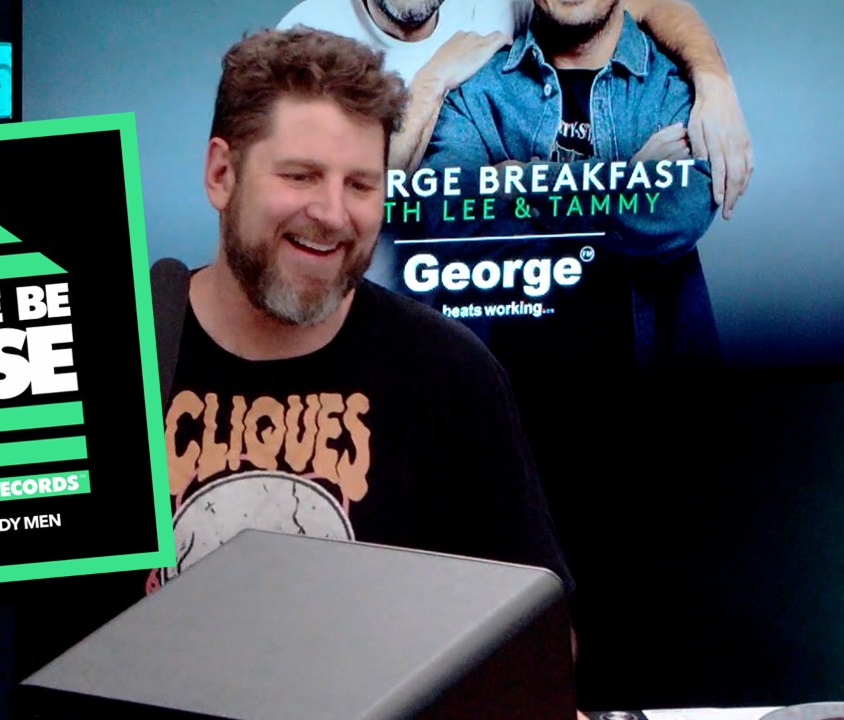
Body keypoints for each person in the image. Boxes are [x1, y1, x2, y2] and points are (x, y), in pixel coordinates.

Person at [145, 26, 572, 597]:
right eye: (300, 176)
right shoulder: (102, 356)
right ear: (221, 174)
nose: (332, 214)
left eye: (361, 185)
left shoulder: (450, 375)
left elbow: (539, 635)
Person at [415, 0, 720, 373]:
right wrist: (631, 178)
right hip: (506, 390)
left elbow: (682, 213)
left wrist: (521, 181)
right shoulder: (479, 90)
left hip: (656, 390)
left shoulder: (669, 85)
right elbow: (448, 222)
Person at [278, 0, 751, 220]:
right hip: (362, 301)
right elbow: (348, 205)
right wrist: (432, 84)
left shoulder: (495, 8)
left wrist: (714, 80)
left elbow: (651, 4)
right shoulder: (309, 37)